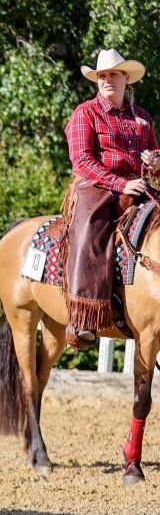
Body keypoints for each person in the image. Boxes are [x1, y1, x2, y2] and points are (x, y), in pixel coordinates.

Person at [64, 48, 156, 348]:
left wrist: (156, 161)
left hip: (139, 184)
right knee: (91, 227)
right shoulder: (85, 113)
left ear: (125, 79)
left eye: (112, 74)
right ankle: (84, 316)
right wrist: (119, 183)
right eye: (101, 76)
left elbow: (154, 152)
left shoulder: (141, 117)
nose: (106, 80)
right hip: (96, 185)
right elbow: (82, 160)